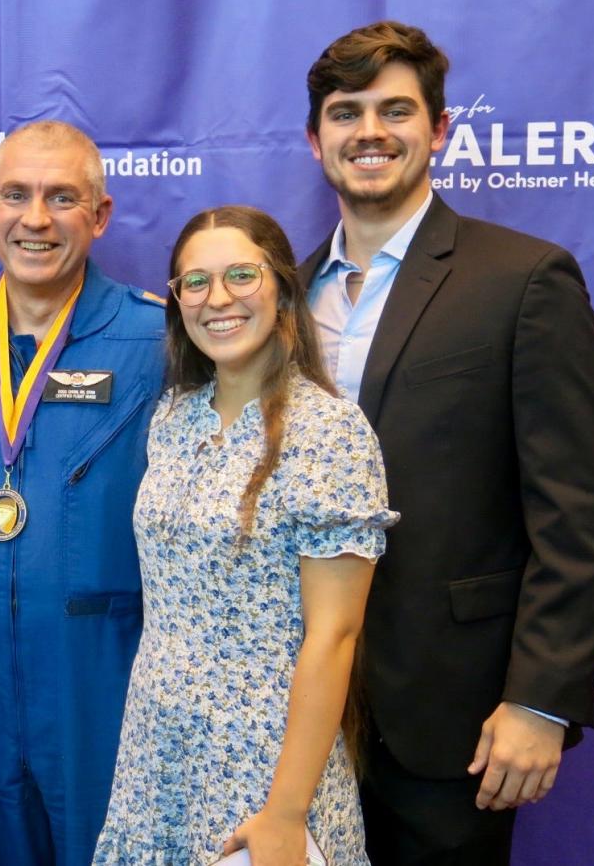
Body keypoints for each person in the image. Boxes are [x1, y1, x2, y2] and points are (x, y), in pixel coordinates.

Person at [299, 20, 594, 865]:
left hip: (451, 718)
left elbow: (576, 515)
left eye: (394, 110)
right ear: (314, 139)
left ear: (438, 130)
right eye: (344, 112)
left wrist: (540, 701)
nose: (368, 132)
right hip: (291, 716)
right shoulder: (278, 297)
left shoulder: (521, 280)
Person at [94, 205, 397, 865]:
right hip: (155, 749)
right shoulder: (173, 416)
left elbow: (334, 634)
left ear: (282, 288)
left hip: (264, 765)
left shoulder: (329, 433)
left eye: (240, 274)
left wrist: (286, 810)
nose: (217, 298)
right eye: (194, 282)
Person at [0, 120, 166, 866]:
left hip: (102, 674)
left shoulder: (161, 338)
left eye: (62, 197)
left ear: (99, 215)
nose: (35, 219)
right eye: (16, 195)